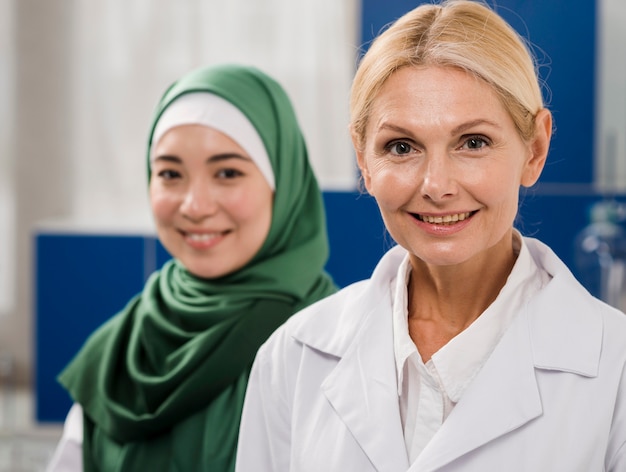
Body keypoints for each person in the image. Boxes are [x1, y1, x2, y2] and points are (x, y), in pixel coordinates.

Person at [235, 1, 626, 471]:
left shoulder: (614, 370)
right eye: (401, 147)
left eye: (473, 142)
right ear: (364, 160)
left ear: (534, 149)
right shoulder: (293, 357)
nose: (436, 185)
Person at [46, 63, 337, 471]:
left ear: (284, 184)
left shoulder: (332, 344)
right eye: (170, 173)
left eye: (227, 172)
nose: (195, 206)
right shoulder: (124, 346)